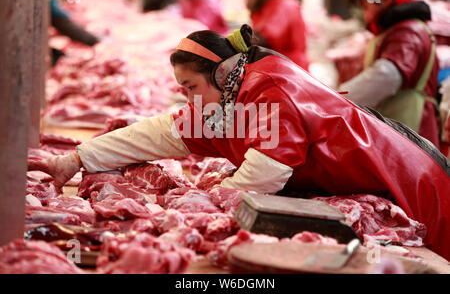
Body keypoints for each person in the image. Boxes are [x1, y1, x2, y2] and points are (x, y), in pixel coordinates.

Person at [31, 25, 450, 260]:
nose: (187, 99)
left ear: (218, 72)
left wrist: (194, 209)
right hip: (386, 178)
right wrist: (76, 158)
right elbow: (168, 131)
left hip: (411, 186)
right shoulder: (233, 94)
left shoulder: (269, 89)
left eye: (190, 86)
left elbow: (263, 175)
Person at [338, 0, 440, 147]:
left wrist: (338, 96)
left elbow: (388, 75)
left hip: (414, 130)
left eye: (364, 5)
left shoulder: (409, 30)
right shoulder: (395, 30)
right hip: (400, 128)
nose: (363, 13)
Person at [236, 0, 309, 71]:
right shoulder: (271, 3)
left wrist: (231, 43)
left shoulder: (281, 3)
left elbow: (265, 38)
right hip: (282, 69)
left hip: (289, 72)